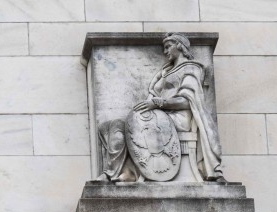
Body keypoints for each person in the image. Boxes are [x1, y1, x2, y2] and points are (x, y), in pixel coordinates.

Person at [96, 32, 225, 183]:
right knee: (114, 126)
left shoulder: (190, 68)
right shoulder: (165, 72)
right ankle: (121, 172)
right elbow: (153, 96)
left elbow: (187, 101)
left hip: (178, 118)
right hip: (160, 114)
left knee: (136, 125)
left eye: (168, 47)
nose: (165, 51)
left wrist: (158, 103)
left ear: (180, 46)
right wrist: (145, 108)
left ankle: (125, 173)